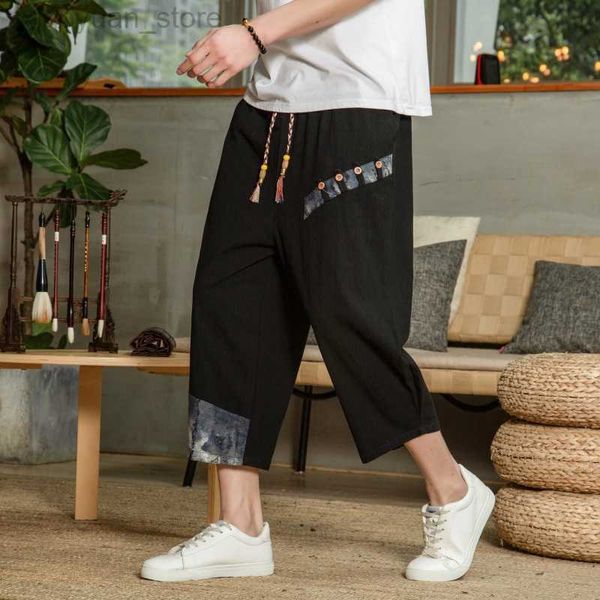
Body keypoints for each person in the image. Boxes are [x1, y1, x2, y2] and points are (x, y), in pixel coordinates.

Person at [141, 0, 495, 584]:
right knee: (231, 305)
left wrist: (254, 34)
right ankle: (240, 525)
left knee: (351, 313)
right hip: (267, 106)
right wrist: (256, 42)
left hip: (356, 102)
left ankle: (454, 490)